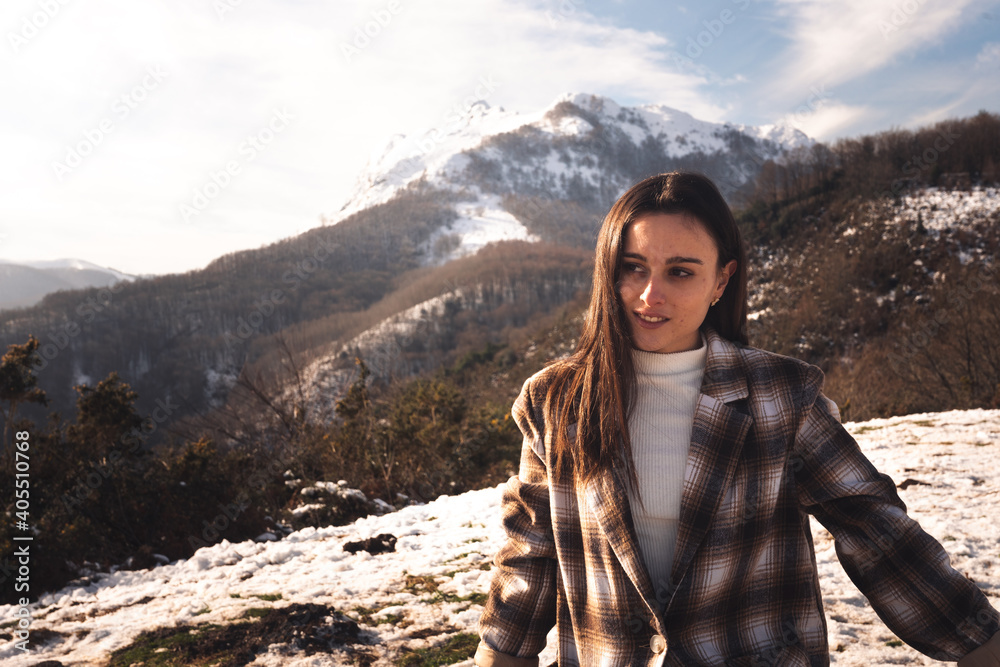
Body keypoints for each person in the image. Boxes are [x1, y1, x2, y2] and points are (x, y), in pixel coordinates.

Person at [474, 172, 1000, 666]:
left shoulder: (780, 397)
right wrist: (499, 654)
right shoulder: (556, 400)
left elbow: (877, 532)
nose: (649, 295)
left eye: (680, 271)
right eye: (633, 267)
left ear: (721, 280)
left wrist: (980, 641)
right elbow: (532, 551)